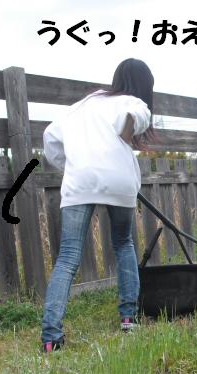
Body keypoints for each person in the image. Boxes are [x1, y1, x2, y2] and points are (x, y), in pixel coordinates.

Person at [40, 58, 155, 352]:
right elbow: (134, 116)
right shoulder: (132, 101)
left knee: (68, 256)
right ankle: (128, 318)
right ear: (143, 85)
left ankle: (51, 338)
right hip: (119, 180)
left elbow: (50, 137)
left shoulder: (82, 105)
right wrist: (127, 132)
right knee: (123, 243)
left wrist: (73, 164)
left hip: (80, 180)